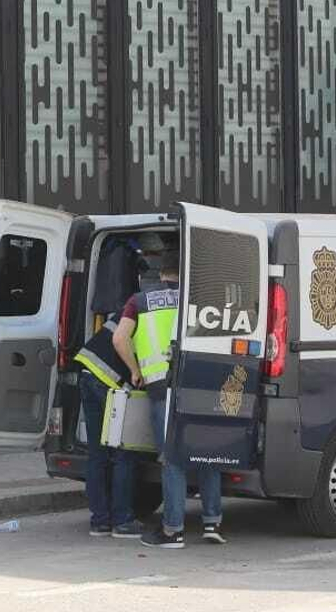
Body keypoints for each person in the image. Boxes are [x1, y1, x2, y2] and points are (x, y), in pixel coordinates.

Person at [113, 235, 226, 548]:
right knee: (207, 455)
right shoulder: (200, 301)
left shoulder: (139, 301)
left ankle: (173, 530)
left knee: (173, 459)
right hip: (199, 386)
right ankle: (212, 523)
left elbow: (119, 339)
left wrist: (136, 370)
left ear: (160, 273)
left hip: (162, 388)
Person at [73, 314, 141, 538]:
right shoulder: (158, 311)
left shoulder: (133, 304)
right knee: (124, 452)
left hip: (87, 370)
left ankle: (99, 521)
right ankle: (122, 521)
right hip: (110, 380)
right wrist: (135, 372)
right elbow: (120, 341)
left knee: (97, 452)